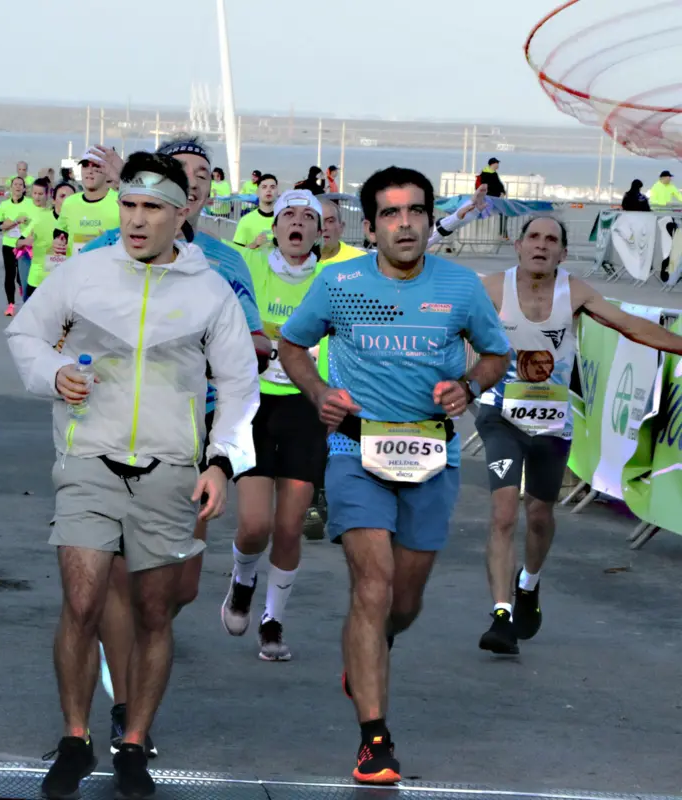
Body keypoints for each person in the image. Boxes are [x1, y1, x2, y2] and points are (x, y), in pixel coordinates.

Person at [7, 151, 259, 800]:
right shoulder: (85, 273)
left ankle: (134, 742)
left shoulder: (209, 291)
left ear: (182, 214)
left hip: (172, 471)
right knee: (83, 601)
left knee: (154, 613)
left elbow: (239, 388)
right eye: (129, 205)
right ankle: (73, 738)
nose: (137, 220)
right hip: (87, 458)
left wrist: (222, 462)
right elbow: (26, 335)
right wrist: (51, 374)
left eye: (152, 208)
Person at [277, 166, 510, 784]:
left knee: (402, 602)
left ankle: (369, 655)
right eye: (390, 213)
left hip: (433, 457)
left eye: (415, 212)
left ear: (432, 220)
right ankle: (374, 738)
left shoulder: (460, 288)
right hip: (357, 454)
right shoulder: (339, 282)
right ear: (370, 225)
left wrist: (468, 386)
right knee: (372, 584)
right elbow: (292, 346)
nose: (404, 223)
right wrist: (319, 393)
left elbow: (496, 355)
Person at [78, 138, 268, 757]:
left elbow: (250, 344)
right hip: (104, 436)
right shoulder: (103, 252)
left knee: (173, 589)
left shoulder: (226, 265)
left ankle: (136, 665)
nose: (190, 186)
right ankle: (127, 706)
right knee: (110, 578)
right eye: (177, 176)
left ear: (201, 196)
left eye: (201, 178)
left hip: (190, 442)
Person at [475, 216, 682, 655]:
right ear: (518, 245)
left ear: (563, 254)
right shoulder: (491, 289)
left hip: (552, 420)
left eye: (552, 240)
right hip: (500, 416)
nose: (541, 245)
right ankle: (500, 614)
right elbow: (448, 332)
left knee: (538, 515)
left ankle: (528, 584)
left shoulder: (577, 292)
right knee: (504, 511)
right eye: (534, 237)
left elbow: (631, 326)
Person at [221, 190, 330, 662]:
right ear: (275, 226)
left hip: (308, 407)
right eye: (290, 215)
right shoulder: (250, 268)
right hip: (254, 405)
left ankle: (273, 619)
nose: (299, 223)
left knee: (289, 527)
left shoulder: (332, 279)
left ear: (320, 232)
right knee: (254, 526)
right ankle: (242, 581)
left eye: (309, 218)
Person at [57, 148, 120, 255]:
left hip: (109, 269)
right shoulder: (69, 203)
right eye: (85, 166)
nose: (90, 171)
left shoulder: (120, 202)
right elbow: (60, 231)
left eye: (96, 166)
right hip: (75, 269)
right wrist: (58, 242)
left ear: (107, 171)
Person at [24, 181, 75, 300]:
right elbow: (19, 241)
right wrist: (26, 242)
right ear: (53, 200)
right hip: (39, 282)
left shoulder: (80, 221)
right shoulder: (40, 218)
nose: (67, 200)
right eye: (62, 196)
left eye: (71, 197)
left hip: (67, 284)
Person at [0, 176, 33, 316]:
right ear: (11, 188)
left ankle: (25, 297)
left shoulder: (30, 203)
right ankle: (10, 304)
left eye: (20, 185)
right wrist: (14, 222)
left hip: (25, 245)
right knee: (9, 275)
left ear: (24, 188)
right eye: (15, 184)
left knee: (21, 276)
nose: (17, 187)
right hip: (9, 244)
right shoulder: (4, 205)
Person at [14, 177, 54, 300]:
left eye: (41, 194)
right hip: (26, 255)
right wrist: (27, 241)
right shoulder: (25, 208)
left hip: (45, 256)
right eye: (35, 193)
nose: (37, 197)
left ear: (47, 195)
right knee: (28, 293)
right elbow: (18, 241)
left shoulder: (51, 213)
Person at [232, 173, 279, 249]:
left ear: (277, 192)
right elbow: (237, 253)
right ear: (257, 192)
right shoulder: (245, 220)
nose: (269, 190)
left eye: (272, 187)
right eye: (264, 187)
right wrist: (254, 244)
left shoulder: (285, 220)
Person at [318, 198, 367, 265]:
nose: (323, 228)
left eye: (330, 221)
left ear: (341, 227)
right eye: (318, 221)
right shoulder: (299, 262)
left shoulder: (361, 260)